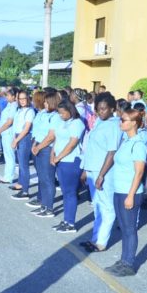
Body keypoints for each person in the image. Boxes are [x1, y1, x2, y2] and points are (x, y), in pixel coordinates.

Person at [105, 107, 147, 276]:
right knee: (123, 227)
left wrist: (130, 195)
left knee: (130, 229)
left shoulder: (138, 144)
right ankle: (124, 259)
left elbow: (139, 172)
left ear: (134, 123)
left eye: (123, 120)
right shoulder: (126, 140)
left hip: (130, 192)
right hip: (119, 189)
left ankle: (129, 263)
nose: (120, 122)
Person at [80, 92, 119, 253]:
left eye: (104, 109)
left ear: (112, 109)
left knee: (107, 207)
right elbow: (90, 147)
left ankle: (101, 242)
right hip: (92, 169)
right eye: (98, 109)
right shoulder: (99, 123)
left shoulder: (114, 125)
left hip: (104, 171)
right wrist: (85, 169)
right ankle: (95, 238)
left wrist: (102, 175)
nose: (101, 111)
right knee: (97, 206)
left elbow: (111, 152)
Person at [49, 100, 84, 233]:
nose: (61, 115)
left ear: (71, 110)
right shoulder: (63, 122)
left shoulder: (77, 123)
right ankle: (66, 220)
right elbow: (57, 139)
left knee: (70, 193)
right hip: (60, 160)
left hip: (71, 161)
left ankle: (70, 223)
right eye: (59, 113)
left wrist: (58, 157)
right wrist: (53, 153)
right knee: (65, 192)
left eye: (63, 113)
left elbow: (72, 144)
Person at [29, 90, 58, 218]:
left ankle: (49, 208)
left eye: (47, 102)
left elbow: (51, 136)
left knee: (48, 179)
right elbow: (38, 131)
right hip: (39, 146)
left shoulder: (56, 116)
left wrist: (39, 147)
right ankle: (44, 205)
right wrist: (35, 144)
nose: (45, 104)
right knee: (42, 178)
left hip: (47, 149)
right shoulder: (45, 114)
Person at [10, 89, 36, 198]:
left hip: (24, 137)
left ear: (28, 99)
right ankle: (20, 184)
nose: (22, 101)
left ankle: (25, 190)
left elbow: (26, 128)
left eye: (24, 98)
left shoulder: (30, 111)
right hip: (18, 136)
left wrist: (16, 140)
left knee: (24, 165)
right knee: (20, 164)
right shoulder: (20, 110)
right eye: (20, 99)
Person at [0, 87, 19, 185]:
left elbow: (9, 121)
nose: (6, 97)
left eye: (8, 95)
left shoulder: (14, 106)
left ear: (14, 96)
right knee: (7, 155)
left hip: (9, 133)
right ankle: (6, 175)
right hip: (5, 133)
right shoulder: (9, 105)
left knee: (10, 156)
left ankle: (9, 177)